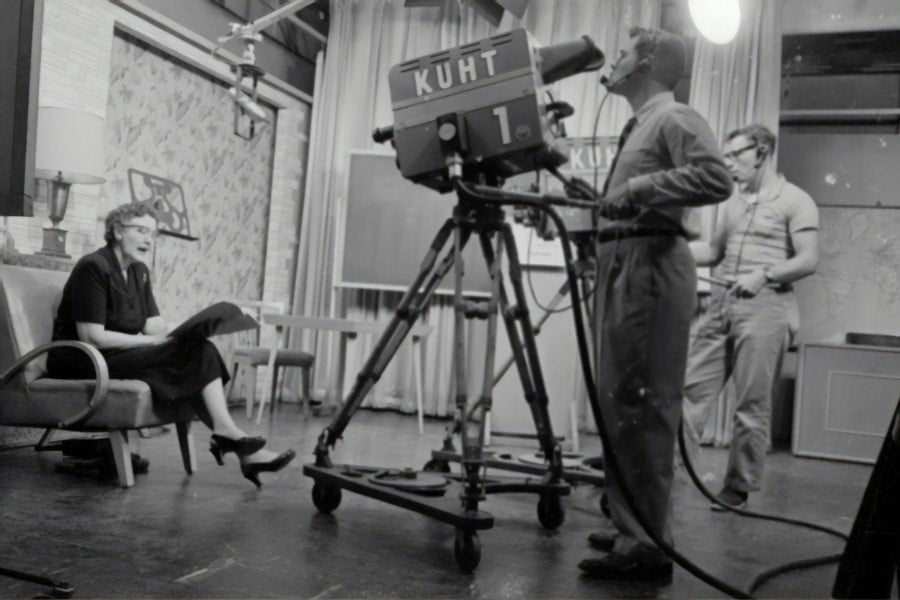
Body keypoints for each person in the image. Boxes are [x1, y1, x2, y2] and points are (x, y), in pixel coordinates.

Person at [579, 26, 733, 583]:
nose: (613, 61)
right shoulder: (642, 124)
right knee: (620, 404)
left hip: (649, 264)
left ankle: (645, 543)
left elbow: (717, 178)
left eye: (623, 52)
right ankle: (633, 524)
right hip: (628, 261)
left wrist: (639, 192)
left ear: (646, 62)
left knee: (641, 407)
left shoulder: (674, 117)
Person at [46, 203, 295, 488]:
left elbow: (155, 326)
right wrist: (150, 341)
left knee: (199, 348)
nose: (148, 240)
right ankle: (230, 437)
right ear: (116, 231)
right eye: (140, 230)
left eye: (152, 234)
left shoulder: (138, 271)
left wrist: (196, 326)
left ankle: (240, 447)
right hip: (84, 361)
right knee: (199, 353)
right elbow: (92, 336)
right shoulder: (94, 266)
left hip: (120, 356)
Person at [682, 124, 819, 510]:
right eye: (724, 158)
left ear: (761, 152)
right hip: (721, 302)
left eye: (735, 156)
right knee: (687, 393)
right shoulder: (733, 202)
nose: (728, 165)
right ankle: (671, 478)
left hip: (766, 307)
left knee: (751, 404)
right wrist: (669, 243)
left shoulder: (796, 200)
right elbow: (712, 252)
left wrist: (765, 274)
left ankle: (738, 488)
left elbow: (809, 259)